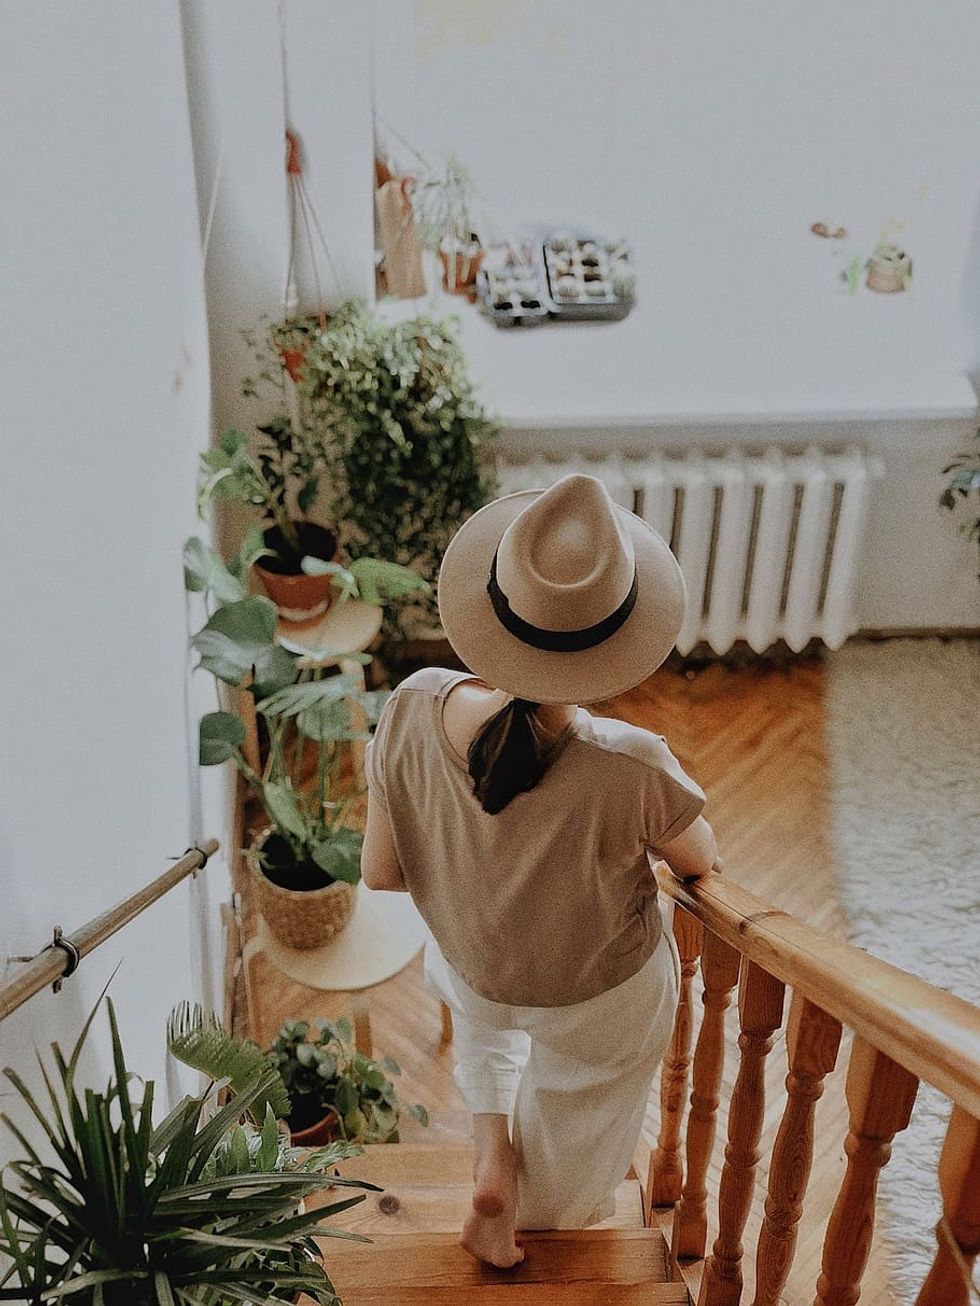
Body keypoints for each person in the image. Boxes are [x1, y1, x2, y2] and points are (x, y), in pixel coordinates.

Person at [361, 474, 718, 1268]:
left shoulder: (412, 705)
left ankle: (491, 1163)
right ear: (616, 645)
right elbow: (704, 862)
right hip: (596, 998)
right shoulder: (630, 762)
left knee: (486, 1019)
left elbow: (381, 874)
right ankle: (530, 1206)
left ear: (493, 612)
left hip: (475, 967)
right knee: (575, 1106)